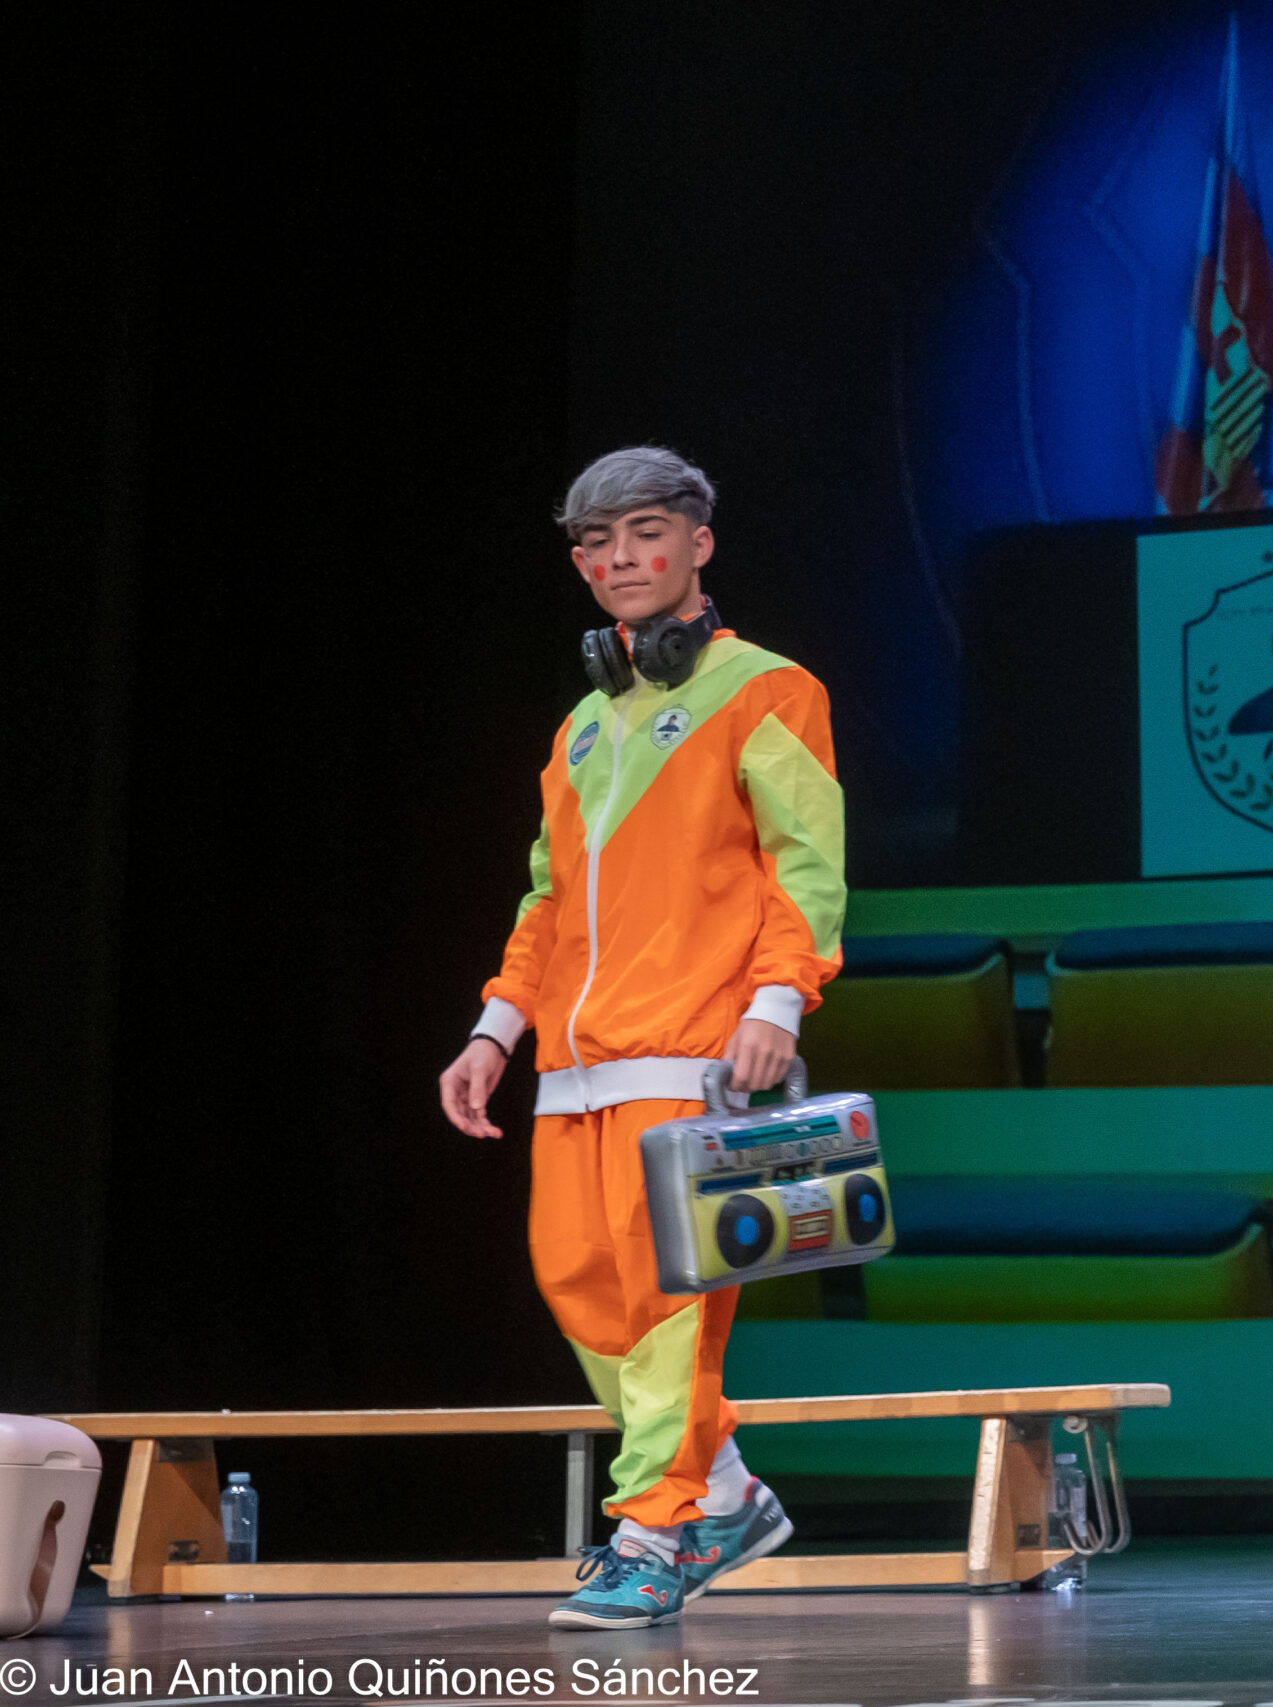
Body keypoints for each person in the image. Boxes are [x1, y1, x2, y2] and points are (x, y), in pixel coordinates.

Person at [436, 446, 848, 1630]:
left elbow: (807, 865)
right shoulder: (580, 727)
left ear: (697, 545)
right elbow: (548, 898)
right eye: (596, 544)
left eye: (646, 534)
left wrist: (777, 1002)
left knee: (672, 1312)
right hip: (573, 1066)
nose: (621, 559)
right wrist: (496, 1028)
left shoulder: (768, 689)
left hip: (691, 1052)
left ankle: (654, 1533)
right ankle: (725, 1493)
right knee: (578, 1289)